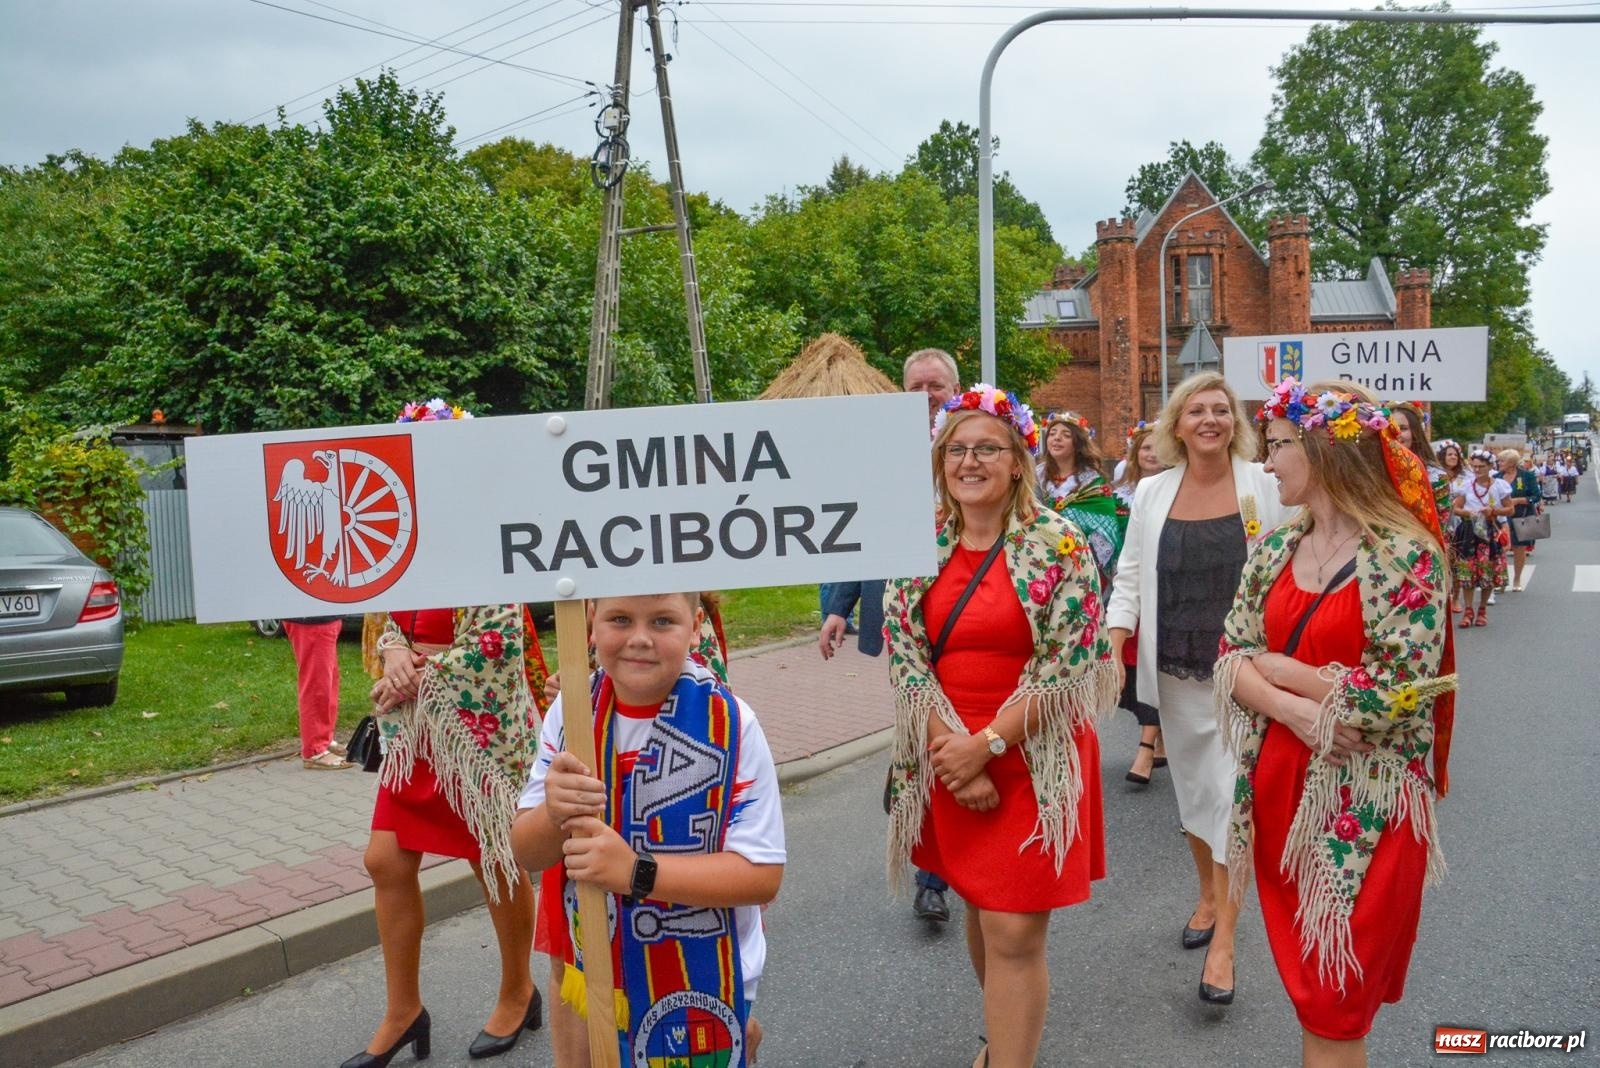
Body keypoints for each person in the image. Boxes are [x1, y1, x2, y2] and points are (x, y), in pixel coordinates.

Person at [1215, 378, 1456, 1068]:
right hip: (1280, 792)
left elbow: (1400, 693)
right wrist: (1297, 708)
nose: (1266, 463)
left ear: (1323, 447)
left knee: (1334, 1000)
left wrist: (1280, 669)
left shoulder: (1407, 554)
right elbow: (1229, 657)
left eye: (1278, 446)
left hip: (1366, 804)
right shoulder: (1272, 550)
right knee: (1313, 996)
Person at [884, 383, 1116, 1068]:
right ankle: (1001, 1038)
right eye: (955, 449)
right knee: (983, 907)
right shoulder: (918, 539)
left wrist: (986, 746)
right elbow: (905, 656)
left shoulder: (1059, 542)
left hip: (1033, 752)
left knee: (1014, 928)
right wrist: (954, 757)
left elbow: (1071, 662)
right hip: (945, 748)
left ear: (1018, 461)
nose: (969, 462)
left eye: (986, 448)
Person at [344, 400, 544, 1068]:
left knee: (495, 859)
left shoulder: (491, 533)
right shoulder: (398, 534)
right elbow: (384, 617)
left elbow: (500, 641)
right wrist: (395, 651)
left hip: (475, 734)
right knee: (384, 860)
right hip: (418, 735)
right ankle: (404, 1012)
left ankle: (518, 990)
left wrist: (420, 673)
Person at [512, 591, 785, 1068]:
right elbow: (527, 852)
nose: (640, 638)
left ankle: (741, 1031)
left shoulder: (733, 724)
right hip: (603, 974)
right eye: (620, 619)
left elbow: (761, 875)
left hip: (707, 984)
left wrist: (636, 872)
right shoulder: (571, 713)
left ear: (695, 626)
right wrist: (553, 812)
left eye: (662, 621)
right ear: (591, 621)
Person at [1106, 370, 1287, 1005]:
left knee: (1234, 795)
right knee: (1193, 790)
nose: (1210, 419)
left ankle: (1225, 941)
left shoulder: (1264, 484)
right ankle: (1208, 896)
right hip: (1175, 665)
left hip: (1247, 668)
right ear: (1177, 426)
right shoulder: (1152, 490)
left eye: (1221, 410)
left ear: (1235, 423)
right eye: (1196, 411)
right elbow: (1130, 572)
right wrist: (1115, 637)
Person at [820, 345, 961, 923]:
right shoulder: (882, 452)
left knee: (950, 733)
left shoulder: (978, 442)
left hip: (966, 614)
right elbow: (864, 532)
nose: (924, 396)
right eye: (915, 386)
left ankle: (940, 871)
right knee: (923, 732)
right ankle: (932, 864)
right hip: (905, 620)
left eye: (934, 386)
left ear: (954, 390)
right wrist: (838, 607)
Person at [1111, 423, 1166, 785]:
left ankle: (1145, 748)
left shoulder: (1177, 490)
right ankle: (1159, 736)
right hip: (1128, 589)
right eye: (1145, 448)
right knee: (1130, 667)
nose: (1151, 454)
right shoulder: (1121, 494)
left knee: (1153, 663)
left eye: (1158, 448)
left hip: (1163, 590)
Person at [1038, 410, 1125, 583]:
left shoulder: (1092, 483)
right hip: (1040, 561)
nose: (1056, 438)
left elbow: (1105, 529)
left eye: (1066, 435)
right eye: (1052, 433)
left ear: (1078, 443)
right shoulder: (1037, 476)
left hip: (1080, 566)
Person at [1449, 449, 1512, 628]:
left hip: (1490, 531)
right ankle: (1468, 611)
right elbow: (1456, 508)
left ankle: (1482, 610)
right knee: (1467, 572)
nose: (1477, 470)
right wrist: (1468, 513)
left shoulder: (1499, 486)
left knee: (1487, 572)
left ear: (1490, 466)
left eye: (1481, 467)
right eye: (1474, 467)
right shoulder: (1467, 485)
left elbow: (1510, 509)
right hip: (1469, 531)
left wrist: (1494, 511)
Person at [283, 615, 351, 770]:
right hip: (312, 620)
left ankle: (324, 739)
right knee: (317, 685)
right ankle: (314, 749)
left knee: (329, 682)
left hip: (324, 617)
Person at [1497, 448, 1541, 592]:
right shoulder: (1496, 477)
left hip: (1521, 515)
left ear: (1511, 463)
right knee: (1500, 548)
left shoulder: (1527, 475)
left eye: (1502, 461)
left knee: (1519, 548)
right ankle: (1501, 580)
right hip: (1502, 516)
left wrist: (1519, 500)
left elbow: (1536, 496)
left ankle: (1517, 579)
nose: (1499, 463)